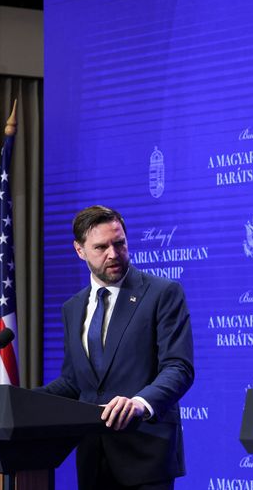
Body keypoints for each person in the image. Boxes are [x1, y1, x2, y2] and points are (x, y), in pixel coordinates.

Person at [37, 206, 194, 489]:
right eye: (101, 247)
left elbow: (178, 367)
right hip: (92, 457)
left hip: (146, 456)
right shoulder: (72, 308)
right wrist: (20, 400)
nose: (113, 253)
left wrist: (139, 404)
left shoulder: (162, 293)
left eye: (119, 243)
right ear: (79, 250)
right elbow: (74, 382)